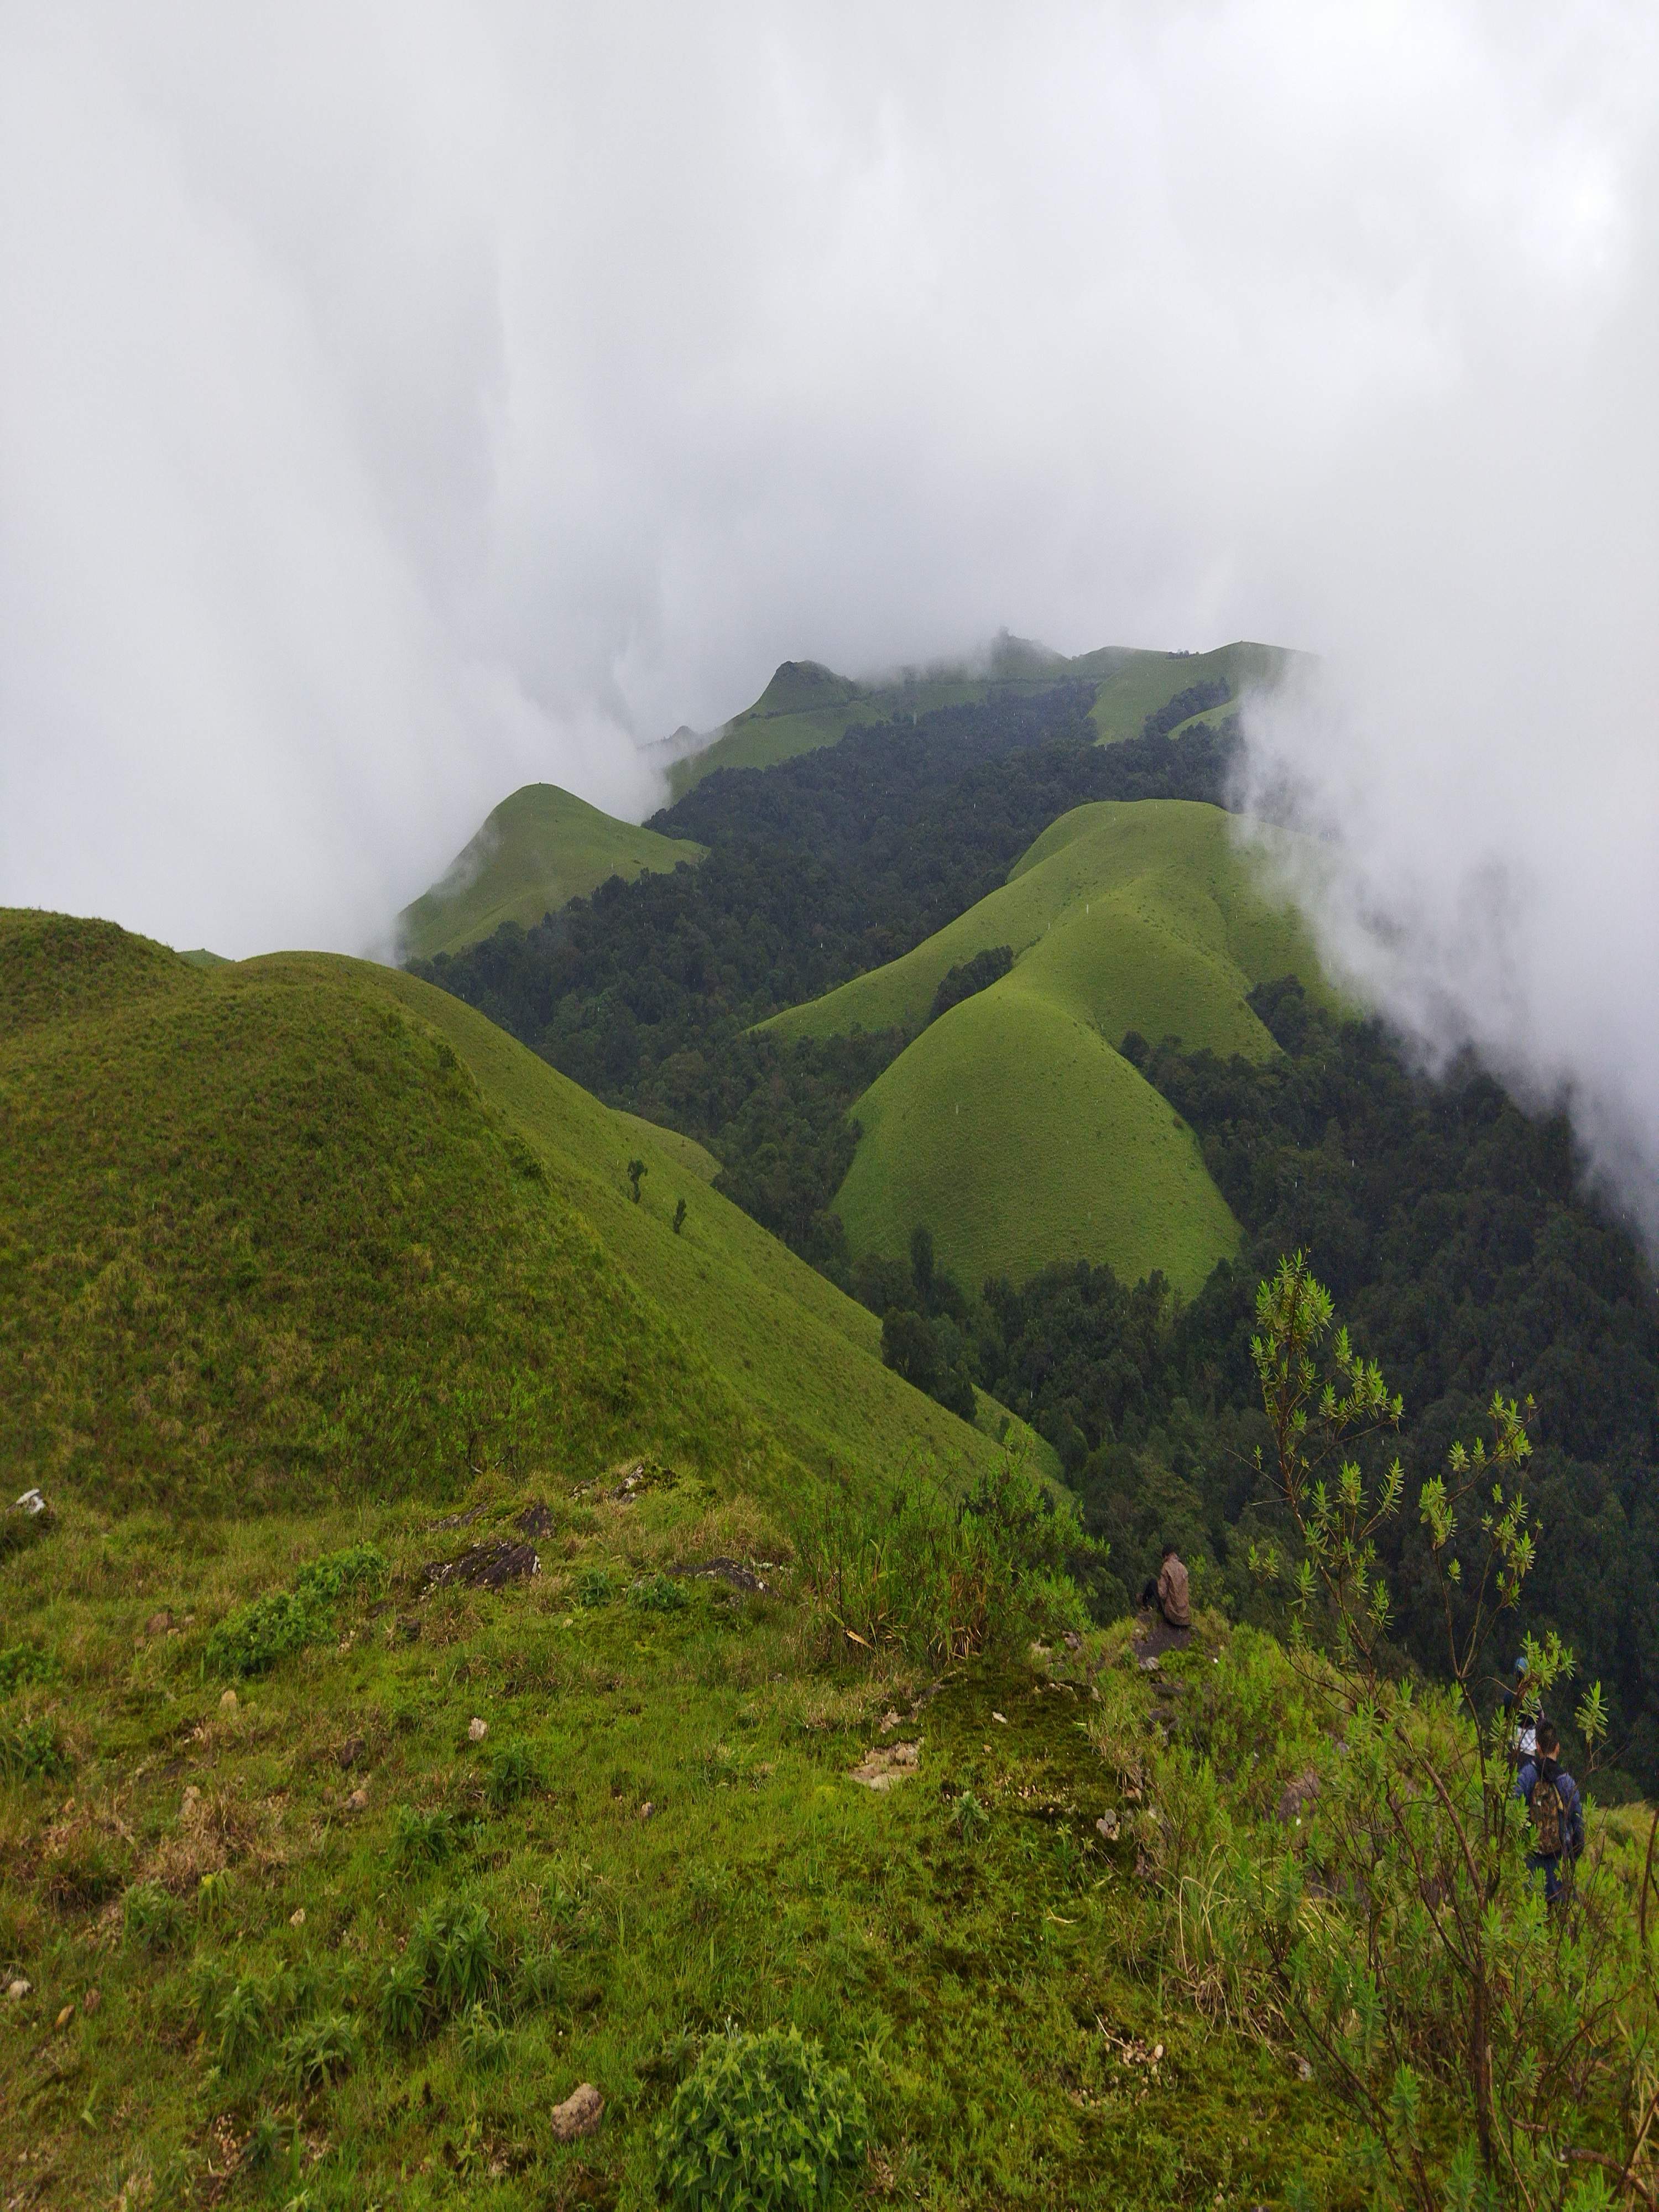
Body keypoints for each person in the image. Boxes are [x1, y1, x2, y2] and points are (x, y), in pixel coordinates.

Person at [1514, 1720, 1584, 1905]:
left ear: (1537, 1747)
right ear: (1558, 1747)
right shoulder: (1568, 1783)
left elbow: (1512, 1805)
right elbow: (1579, 1830)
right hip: (1558, 1867)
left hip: (1531, 1864)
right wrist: (1572, 1855)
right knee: (1557, 1920)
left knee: (1532, 1916)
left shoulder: (1528, 1774)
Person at [1138, 1543, 1191, 1632]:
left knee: (1152, 1583)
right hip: (1185, 1617)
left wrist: (1159, 1585)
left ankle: (1143, 1602)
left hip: (1173, 1617)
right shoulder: (1183, 1568)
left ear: (1166, 1556)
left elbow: (1162, 1594)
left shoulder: (1166, 1567)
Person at [1500, 1656, 1541, 1767]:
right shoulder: (1536, 1703)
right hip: (1529, 1756)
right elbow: (1541, 1726)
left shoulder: (1508, 1697)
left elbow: (1504, 1721)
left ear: (1515, 1675)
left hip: (1511, 1751)